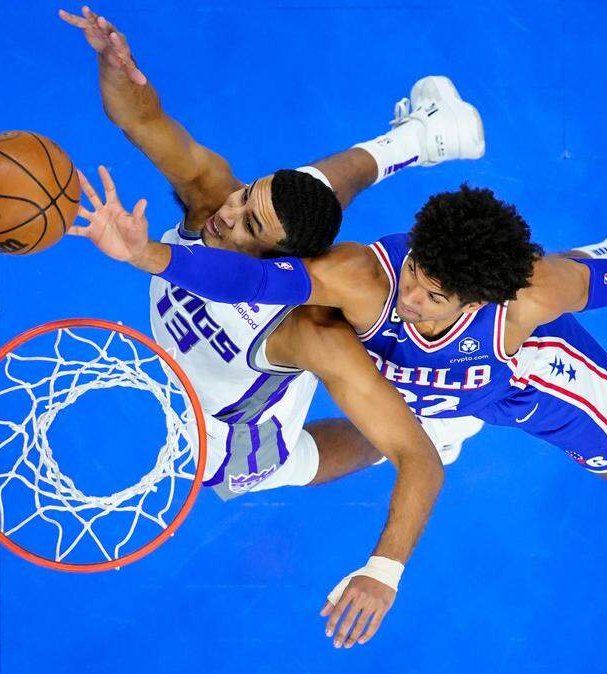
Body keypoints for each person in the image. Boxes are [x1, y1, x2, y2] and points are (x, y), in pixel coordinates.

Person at [64, 12, 607, 674]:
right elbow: (259, 285)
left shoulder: (531, 299)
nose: (408, 297)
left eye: (432, 295)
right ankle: (426, 139)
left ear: (480, 296)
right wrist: (151, 253)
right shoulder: (361, 279)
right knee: (363, 371)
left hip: (517, 380)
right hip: (414, 389)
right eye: (414, 271)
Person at [60, 7, 485, 649]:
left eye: (248, 227)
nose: (227, 215)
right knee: (298, 193)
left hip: (234, 431)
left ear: (275, 264)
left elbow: (417, 462)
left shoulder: (306, 331)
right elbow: (138, 117)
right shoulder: (214, 204)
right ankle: (423, 138)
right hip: (223, 323)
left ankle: (436, 408)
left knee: (301, 460)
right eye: (241, 201)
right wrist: (112, 61)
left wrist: (384, 572)